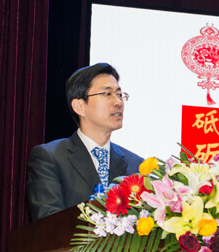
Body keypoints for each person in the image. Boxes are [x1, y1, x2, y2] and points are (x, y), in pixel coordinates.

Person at [26, 62, 143, 221]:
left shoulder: (136, 165)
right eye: (107, 94)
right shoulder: (50, 157)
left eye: (119, 94)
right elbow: (48, 224)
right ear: (79, 107)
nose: (118, 102)